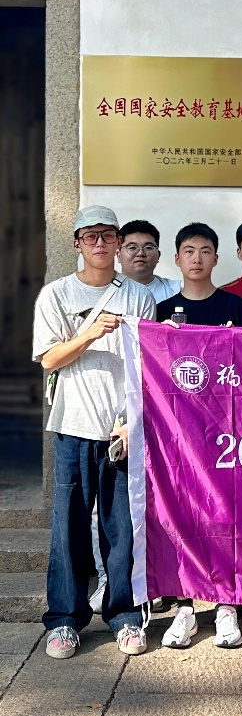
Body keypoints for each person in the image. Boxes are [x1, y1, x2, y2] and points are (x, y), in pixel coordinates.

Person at [33, 205, 156, 659]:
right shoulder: (57, 294)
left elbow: (146, 364)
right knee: (67, 526)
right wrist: (88, 334)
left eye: (108, 235)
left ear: (119, 242)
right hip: (73, 425)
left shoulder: (138, 297)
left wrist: (132, 421)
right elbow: (50, 359)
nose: (100, 243)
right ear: (77, 244)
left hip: (122, 428)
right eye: (91, 236)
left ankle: (125, 616)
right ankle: (64, 620)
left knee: (122, 526)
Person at [154, 223, 242, 649]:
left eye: (205, 251)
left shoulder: (236, 306)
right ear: (176, 259)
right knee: (182, 516)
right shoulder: (162, 311)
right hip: (178, 434)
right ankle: (185, 607)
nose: (197, 258)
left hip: (227, 433)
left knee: (226, 516)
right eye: (189, 251)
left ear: (217, 258)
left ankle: (227, 604)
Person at [117, 219, 181, 302]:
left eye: (148, 248)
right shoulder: (106, 290)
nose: (140, 253)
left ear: (158, 255)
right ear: (118, 255)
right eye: (132, 248)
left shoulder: (177, 291)